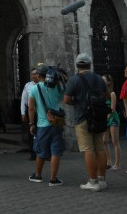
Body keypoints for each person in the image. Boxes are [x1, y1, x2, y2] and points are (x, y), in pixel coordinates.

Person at [63, 53, 108, 192]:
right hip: (99, 117)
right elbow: (106, 95)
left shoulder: (74, 80)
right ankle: (102, 179)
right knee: (100, 148)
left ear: (77, 65)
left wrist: (77, 102)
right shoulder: (99, 79)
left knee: (88, 149)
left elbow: (66, 99)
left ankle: (92, 181)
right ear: (90, 64)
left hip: (82, 118)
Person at [28, 65, 65, 186]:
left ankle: (38, 175)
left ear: (39, 76)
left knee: (41, 152)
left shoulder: (34, 89)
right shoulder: (57, 87)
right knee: (56, 151)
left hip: (43, 125)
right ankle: (53, 179)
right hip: (57, 123)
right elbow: (62, 98)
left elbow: (31, 108)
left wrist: (31, 123)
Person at [102, 74, 121, 170]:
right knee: (104, 140)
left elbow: (112, 109)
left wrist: (107, 117)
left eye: (103, 80)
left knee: (115, 141)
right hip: (105, 118)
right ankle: (108, 161)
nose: (101, 81)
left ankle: (117, 163)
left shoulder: (112, 93)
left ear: (109, 82)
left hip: (112, 118)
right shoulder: (101, 93)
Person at [20, 67, 39, 160]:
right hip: (31, 112)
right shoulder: (28, 85)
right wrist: (23, 112)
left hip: (41, 111)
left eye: (34, 74)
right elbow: (24, 99)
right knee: (32, 132)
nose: (32, 76)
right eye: (31, 74)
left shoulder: (43, 85)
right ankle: (33, 153)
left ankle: (43, 152)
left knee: (42, 132)